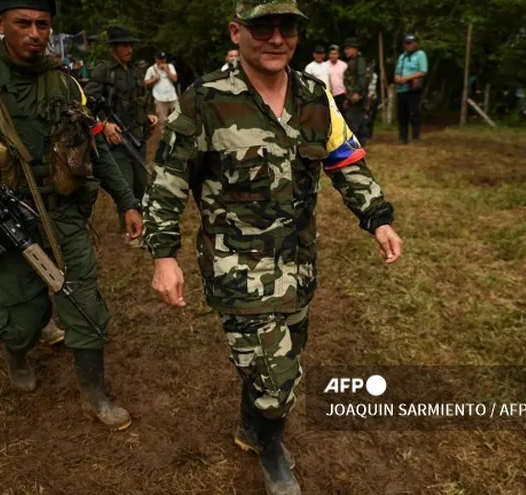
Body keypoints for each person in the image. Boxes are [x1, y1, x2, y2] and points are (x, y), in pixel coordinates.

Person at [143, 1, 403, 492]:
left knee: (283, 360)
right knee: (277, 380)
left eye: (287, 28)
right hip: (237, 270)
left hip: (299, 265)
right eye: (263, 27)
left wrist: (378, 219)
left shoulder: (314, 96)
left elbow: (345, 159)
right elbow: (168, 182)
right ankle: (271, 449)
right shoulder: (205, 100)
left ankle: (251, 428)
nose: (277, 38)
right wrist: (163, 255)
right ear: (236, 31)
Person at [0, 0, 144, 428]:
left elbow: (94, 148)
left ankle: (94, 395)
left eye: (43, 24)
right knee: (22, 317)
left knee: (84, 303)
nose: (35, 33)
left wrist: (128, 201)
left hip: (62, 216)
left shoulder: (64, 82)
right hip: (1, 220)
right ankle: (16, 355)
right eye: (23, 23)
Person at [85, 25, 158, 248]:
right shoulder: (103, 71)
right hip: (115, 141)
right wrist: (104, 125)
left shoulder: (135, 71)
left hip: (136, 137)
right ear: (114, 47)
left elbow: (142, 97)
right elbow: (86, 104)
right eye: (124, 45)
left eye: (130, 45)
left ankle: (142, 226)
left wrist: (149, 114)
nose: (129, 49)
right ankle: (129, 231)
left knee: (141, 184)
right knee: (124, 185)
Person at [394, 34, 427, 144]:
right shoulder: (402, 57)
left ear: (415, 44)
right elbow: (397, 71)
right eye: (406, 43)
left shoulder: (420, 55)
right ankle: (402, 137)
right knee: (402, 114)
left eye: (410, 43)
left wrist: (406, 78)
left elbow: (423, 71)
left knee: (413, 113)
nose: (407, 46)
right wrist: (397, 78)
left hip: (412, 88)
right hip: (401, 88)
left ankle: (415, 137)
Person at [342, 38, 368, 144]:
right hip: (351, 95)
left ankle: (358, 143)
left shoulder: (359, 60)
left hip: (357, 95)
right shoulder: (352, 61)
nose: (345, 51)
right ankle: (357, 142)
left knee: (354, 120)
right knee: (353, 119)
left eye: (348, 49)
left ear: (355, 49)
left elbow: (362, 78)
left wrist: (358, 92)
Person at [144, 51, 179, 125]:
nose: (162, 61)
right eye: (160, 59)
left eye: (164, 58)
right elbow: (145, 83)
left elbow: (175, 79)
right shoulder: (151, 69)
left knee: (177, 119)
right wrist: (154, 79)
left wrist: (166, 70)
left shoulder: (170, 66)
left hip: (172, 97)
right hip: (160, 99)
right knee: (162, 122)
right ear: (156, 59)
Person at [327, 44, 348, 108]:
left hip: (341, 94)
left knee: (342, 113)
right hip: (329, 95)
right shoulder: (324, 65)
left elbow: (347, 79)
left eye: (335, 54)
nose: (333, 55)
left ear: (338, 55)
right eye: (331, 54)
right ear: (329, 55)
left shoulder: (344, 65)